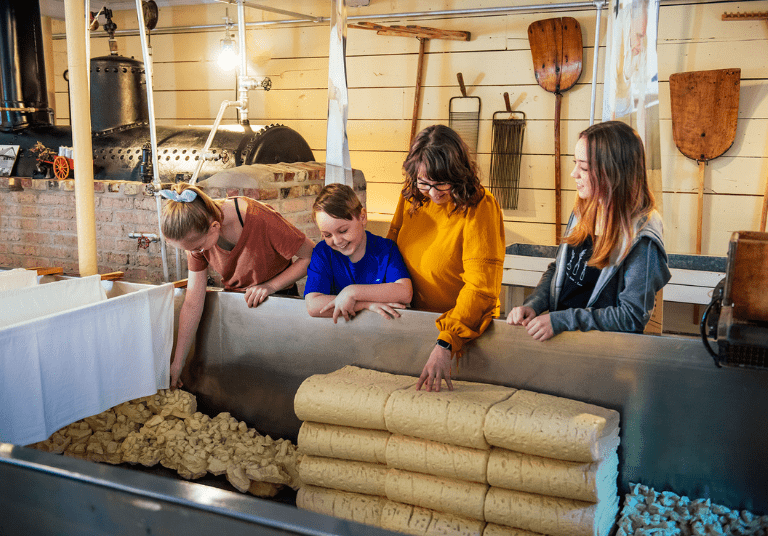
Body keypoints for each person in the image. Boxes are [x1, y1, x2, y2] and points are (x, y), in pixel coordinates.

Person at [506, 121, 671, 341]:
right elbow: (560, 270)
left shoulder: (642, 236)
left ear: (613, 172)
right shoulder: (585, 208)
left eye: (584, 168)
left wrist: (563, 320)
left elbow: (631, 316)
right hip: (564, 342)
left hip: (603, 354)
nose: (574, 173)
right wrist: (534, 304)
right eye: (576, 164)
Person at [387, 124, 505, 392]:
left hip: (463, 333)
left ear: (459, 174)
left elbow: (481, 287)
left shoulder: (480, 206)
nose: (433, 193)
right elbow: (389, 255)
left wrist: (446, 341)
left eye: (442, 183)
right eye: (424, 183)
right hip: (412, 322)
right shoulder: (411, 197)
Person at [160, 183, 314, 389]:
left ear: (214, 227)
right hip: (236, 307)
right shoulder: (195, 229)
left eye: (197, 247)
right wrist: (177, 363)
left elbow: (312, 256)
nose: (195, 252)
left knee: (275, 383)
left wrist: (270, 286)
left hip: (278, 303)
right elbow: (192, 302)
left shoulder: (260, 219)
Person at [304, 183, 412, 322]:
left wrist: (352, 292)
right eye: (327, 235)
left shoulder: (386, 249)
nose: (337, 241)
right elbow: (313, 305)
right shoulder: (322, 252)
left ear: (362, 217)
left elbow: (404, 292)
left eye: (343, 231)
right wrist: (365, 305)